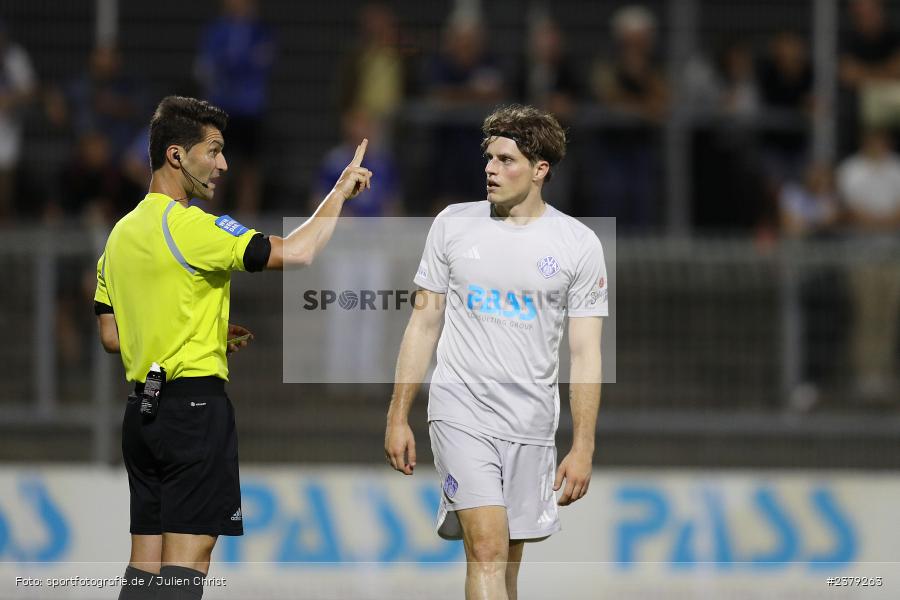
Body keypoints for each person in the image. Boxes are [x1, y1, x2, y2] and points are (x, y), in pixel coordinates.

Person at [94, 96, 372, 599]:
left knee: (146, 564)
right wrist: (338, 193)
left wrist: (197, 329)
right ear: (176, 156)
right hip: (194, 412)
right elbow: (300, 252)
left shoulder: (120, 234)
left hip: (142, 413)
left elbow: (113, 337)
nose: (223, 164)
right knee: (187, 562)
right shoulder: (193, 225)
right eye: (214, 151)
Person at [385, 105, 606, 600]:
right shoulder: (452, 225)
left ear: (540, 170)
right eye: (489, 157)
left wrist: (584, 444)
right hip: (459, 411)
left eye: (506, 160)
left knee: (504, 563)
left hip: (530, 421)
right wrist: (398, 413)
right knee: (485, 549)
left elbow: (587, 353)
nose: (490, 168)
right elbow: (422, 323)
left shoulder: (579, 244)